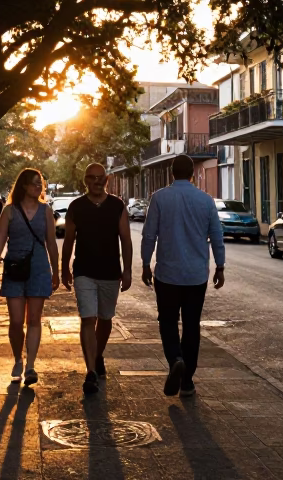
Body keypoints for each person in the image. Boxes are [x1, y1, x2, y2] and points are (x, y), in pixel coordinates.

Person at [140, 154, 225, 398]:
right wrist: (220, 266)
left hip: (167, 274)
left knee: (167, 321)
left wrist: (146, 263)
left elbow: (149, 235)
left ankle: (175, 358)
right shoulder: (206, 200)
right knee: (191, 325)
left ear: (171, 173)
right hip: (196, 275)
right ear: (191, 174)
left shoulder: (159, 198)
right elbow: (216, 236)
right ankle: (187, 381)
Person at [62, 163, 133, 395]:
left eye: (100, 177)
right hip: (84, 271)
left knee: (105, 319)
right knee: (87, 319)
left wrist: (128, 270)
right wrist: (64, 269)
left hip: (111, 272)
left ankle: (98, 354)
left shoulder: (117, 206)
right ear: (85, 180)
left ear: (107, 179)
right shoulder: (76, 207)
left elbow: (126, 239)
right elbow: (69, 241)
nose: (96, 181)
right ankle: (90, 371)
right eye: (91, 178)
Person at [0, 168, 59, 387]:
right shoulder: (9, 211)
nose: (39, 187)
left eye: (41, 184)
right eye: (35, 183)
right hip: (15, 268)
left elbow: (52, 244)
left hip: (38, 269)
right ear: (24, 185)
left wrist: (57, 271)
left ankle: (30, 366)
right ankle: (18, 358)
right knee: (16, 321)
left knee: (34, 320)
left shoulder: (45, 211)